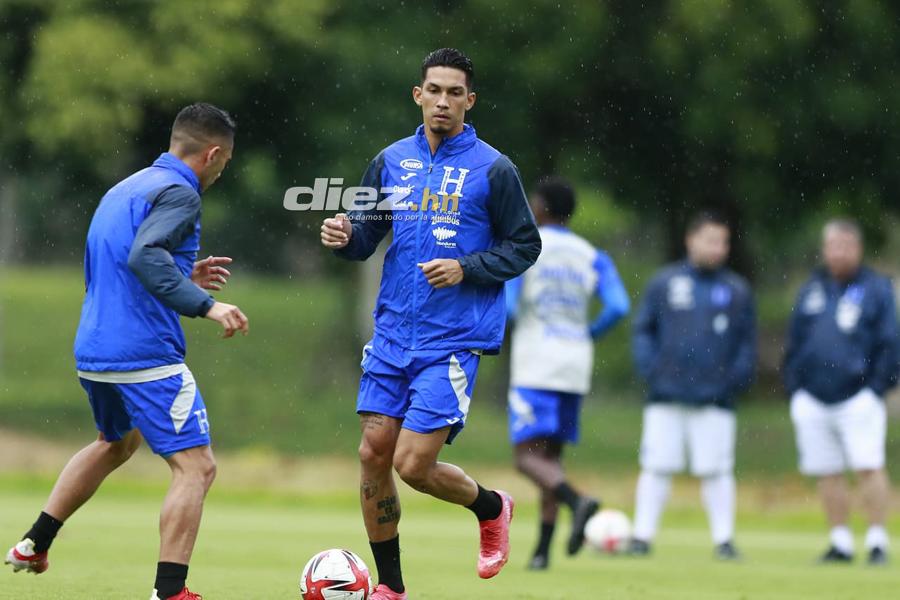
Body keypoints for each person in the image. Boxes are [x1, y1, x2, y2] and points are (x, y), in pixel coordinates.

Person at [320, 48, 541, 600]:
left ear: (470, 100)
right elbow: (368, 236)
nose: (443, 101)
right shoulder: (390, 160)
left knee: (414, 464)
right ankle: (391, 587)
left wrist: (466, 267)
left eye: (454, 92)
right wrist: (345, 239)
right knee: (373, 454)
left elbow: (525, 245)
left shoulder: (494, 169)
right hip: (394, 333)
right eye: (434, 90)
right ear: (417, 95)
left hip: (454, 339)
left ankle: (492, 507)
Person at [4, 103, 248, 600]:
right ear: (214, 153)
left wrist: (181, 276)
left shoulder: (128, 186)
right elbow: (144, 257)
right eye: (224, 163)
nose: (221, 172)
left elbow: (121, 260)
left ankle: (35, 542)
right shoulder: (181, 192)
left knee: (115, 442)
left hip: (95, 348)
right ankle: (170, 592)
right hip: (144, 353)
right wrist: (205, 305)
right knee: (196, 466)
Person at [505, 176, 629, 570]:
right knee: (551, 460)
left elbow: (508, 308)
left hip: (536, 361)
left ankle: (578, 503)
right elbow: (619, 306)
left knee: (527, 459)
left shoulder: (526, 247)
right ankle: (542, 553)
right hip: (575, 362)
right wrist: (587, 333)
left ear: (540, 207)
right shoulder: (590, 254)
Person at [629, 211, 755, 560]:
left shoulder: (736, 290)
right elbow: (644, 331)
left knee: (716, 469)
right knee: (657, 465)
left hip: (715, 398)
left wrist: (732, 380)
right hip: (666, 395)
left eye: (723, 242)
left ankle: (724, 540)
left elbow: (747, 343)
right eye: (711, 240)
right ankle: (641, 536)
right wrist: (652, 371)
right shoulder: (664, 283)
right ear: (691, 240)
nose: (718, 248)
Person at [784, 219, 899, 565]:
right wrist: (796, 388)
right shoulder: (812, 289)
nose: (840, 253)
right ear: (825, 248)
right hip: (813, 397)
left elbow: (890, 343)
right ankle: (840, 541)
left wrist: (876, 387)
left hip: (859, 396)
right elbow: (795, 342)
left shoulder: (876, 289)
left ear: (858, 249)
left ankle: (877, 539)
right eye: (834, 245)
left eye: (847, 246)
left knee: (868, 465)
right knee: (827, 470)